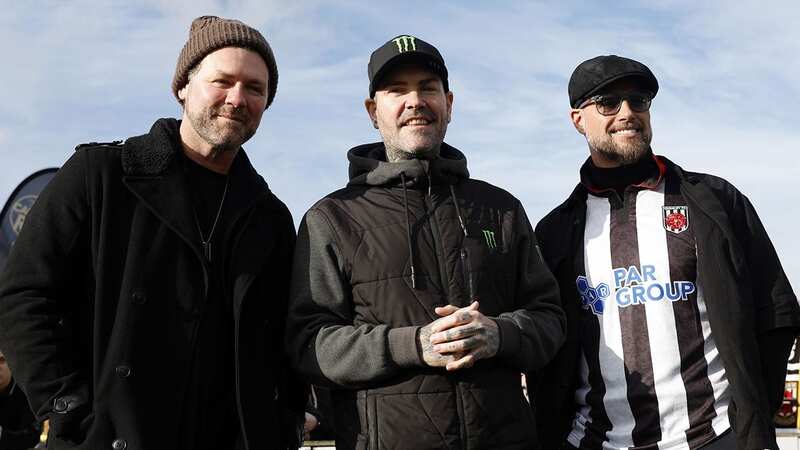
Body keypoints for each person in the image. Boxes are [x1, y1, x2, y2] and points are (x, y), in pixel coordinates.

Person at [0, 16, 304, 450]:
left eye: (255, 88)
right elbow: (23, 295)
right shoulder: (99, 176)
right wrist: (67, 408)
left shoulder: (270, 217)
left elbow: (280, 345)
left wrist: (282, 427)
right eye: (223, 81)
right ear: (183, 86)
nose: (237, 98)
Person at [285, 34, 565, 449]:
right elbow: (308, 345)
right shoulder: (332, 218)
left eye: (427, 88)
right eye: (396, 90)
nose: (414, 101)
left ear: (449, 104)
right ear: (372, 110)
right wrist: (413, 344)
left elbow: (551, 319)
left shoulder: (501, 209)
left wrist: (499, 334)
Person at [533, 54, 800, 450]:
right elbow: (547, 348)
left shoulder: (714, 202)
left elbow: (775, 314)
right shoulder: (555, 231)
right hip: (595, 442)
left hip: (714, 438)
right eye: (608, 102)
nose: (627, 112)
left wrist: (749, 419)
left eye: (638, 101)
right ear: (578, 119)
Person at [0, 350, 41, 450]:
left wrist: (2, 435)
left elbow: (33, 437)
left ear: (11, 363)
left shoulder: (27, 391)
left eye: (1, 360)